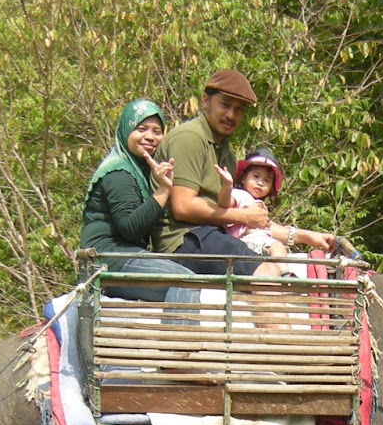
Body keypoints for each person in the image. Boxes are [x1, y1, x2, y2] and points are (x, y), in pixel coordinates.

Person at [154, 69, 330, 275]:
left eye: (239, 109)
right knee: (267, 272)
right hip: (182, 240)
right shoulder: (190, 138)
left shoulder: (226, 153)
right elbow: (183, 207)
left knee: (278, 263)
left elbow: (255, 222)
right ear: (205, 101)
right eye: (225, 105)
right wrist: (244, 216)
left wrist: (308, 237)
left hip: (214, 235)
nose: (231, 115)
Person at [79, 98, 199, 306]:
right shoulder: (119, 172)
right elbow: (130, 227)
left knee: (194, 279)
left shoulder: (140, 170)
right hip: (107, 259)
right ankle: (177, 338)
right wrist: (163, 191)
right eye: (141, 129)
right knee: (185, 285)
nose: (150, 137)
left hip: (123, 256)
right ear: (126, 131)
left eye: (157, 131)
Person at [225, 148, 339, 263]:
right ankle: (284, 277)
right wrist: (227, 186)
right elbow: (225, 204)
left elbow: (268, 225)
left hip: (255, 241)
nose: (260, 183)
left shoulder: (256, 204)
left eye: (267, 180)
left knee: (282, 250)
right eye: (256, 176)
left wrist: (307, 236)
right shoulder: (239, 195)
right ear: (244, 178)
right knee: (277, 247)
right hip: (242, 242)